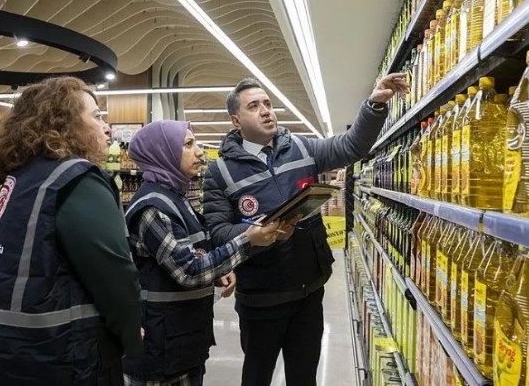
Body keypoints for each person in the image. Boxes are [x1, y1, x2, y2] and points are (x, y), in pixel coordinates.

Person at [202, 74, 409, 386]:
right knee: (256, 376)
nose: (266, 110)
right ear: (236, 120)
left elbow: (351, 146)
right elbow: (217, 231)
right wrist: (250, 236)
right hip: (260, 298)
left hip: (308, 292)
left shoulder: (301, 147)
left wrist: (374, 106)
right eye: (254, 106)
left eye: (268, 104)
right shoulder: (220, 172)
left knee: (304, 376)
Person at [0, 76, 143, 386]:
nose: (107, 128)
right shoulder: (77, 179)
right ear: (64, 124)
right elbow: (115, 274)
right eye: (97, 116)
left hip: (0, 354)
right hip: (65, 359)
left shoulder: (18, 180)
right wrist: (131, 335)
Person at [121, 120, 282, 386]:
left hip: (182, 340)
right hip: (160, 350)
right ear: (163, 153)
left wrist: (219, 271)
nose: (200, 152)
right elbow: (189, 272)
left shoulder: (176, 198)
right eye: (188, 144)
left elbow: (191, 254)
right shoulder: (153, 208)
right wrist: (248, 241)